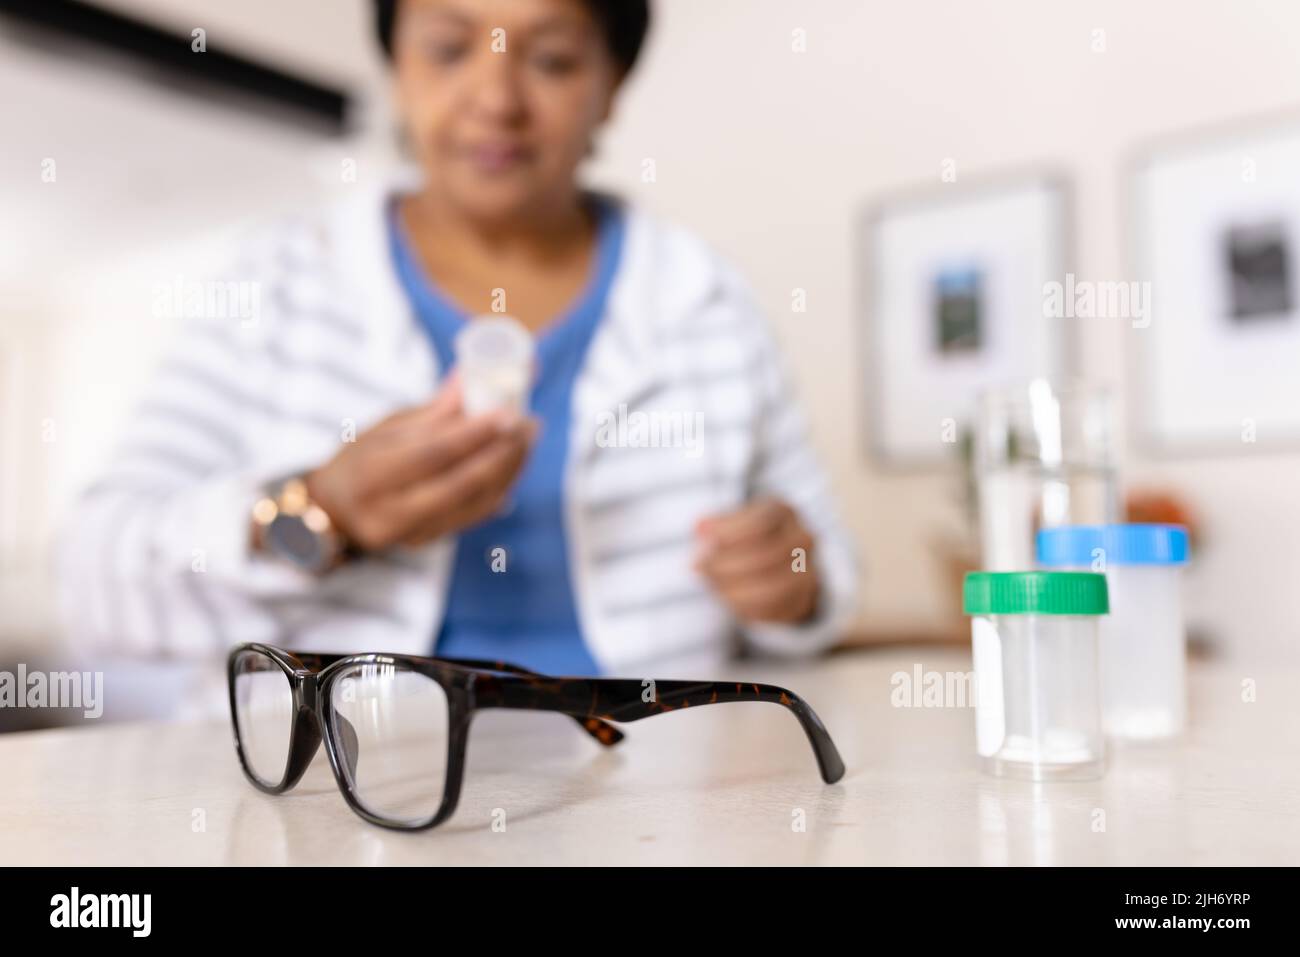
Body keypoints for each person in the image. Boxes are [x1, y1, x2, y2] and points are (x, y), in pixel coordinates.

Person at [58, 0, 857, 679]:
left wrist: (792, 582)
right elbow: (96, 584)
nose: (495, 99)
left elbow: (823, 578)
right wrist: (321, 515)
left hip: (654, 808)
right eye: (447, 48)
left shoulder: (709, 303)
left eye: (550, 60)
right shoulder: (275, 286)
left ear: (612, 87)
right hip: (345, 813)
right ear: (396, 64)